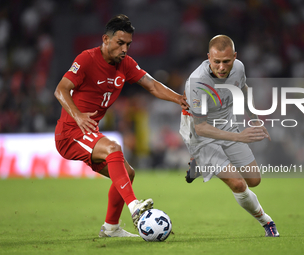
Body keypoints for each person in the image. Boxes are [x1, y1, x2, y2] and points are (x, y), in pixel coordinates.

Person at [54, 14, 189, 238]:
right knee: (114, 148)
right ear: (105, 40)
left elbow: (153, 86)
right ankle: (135, 207)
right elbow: (61, 90)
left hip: (88, 132)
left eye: (128, 44)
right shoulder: (87, 58)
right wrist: (77, 116)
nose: (125, 49)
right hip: (70, 133)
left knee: (127, 173)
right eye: (120, 43)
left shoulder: (125, 64)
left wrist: (179, 99)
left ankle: (111, 228)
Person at [179, 35, 279, 237]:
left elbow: (243, 88)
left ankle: (197, 164)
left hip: (228, 125)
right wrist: (241, 137)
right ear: (208, 57)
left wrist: (254, 117)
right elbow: (201, 128)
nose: (222, 67)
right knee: (239, 184)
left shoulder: (239, 68)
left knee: (254, 180)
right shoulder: (196, 83)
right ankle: (266, 221)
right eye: (216, 62)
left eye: (226, 61)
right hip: (201, 136)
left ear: (235, 57)